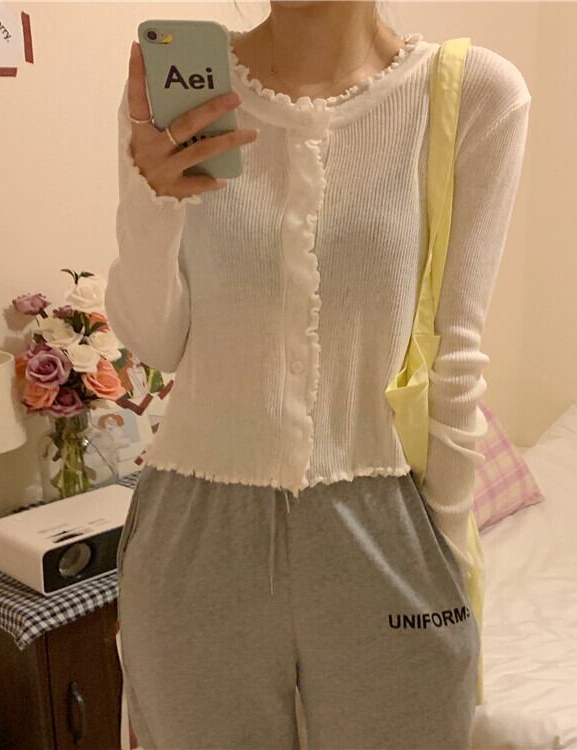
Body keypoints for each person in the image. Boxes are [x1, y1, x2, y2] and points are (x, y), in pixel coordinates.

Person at [106, 1, 531, 748]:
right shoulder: (182, 90)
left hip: (387, 522)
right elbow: (156, 342)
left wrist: (444, 565)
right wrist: (153, 201)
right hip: (195, 532)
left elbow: (456, 354)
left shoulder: (474, 93)